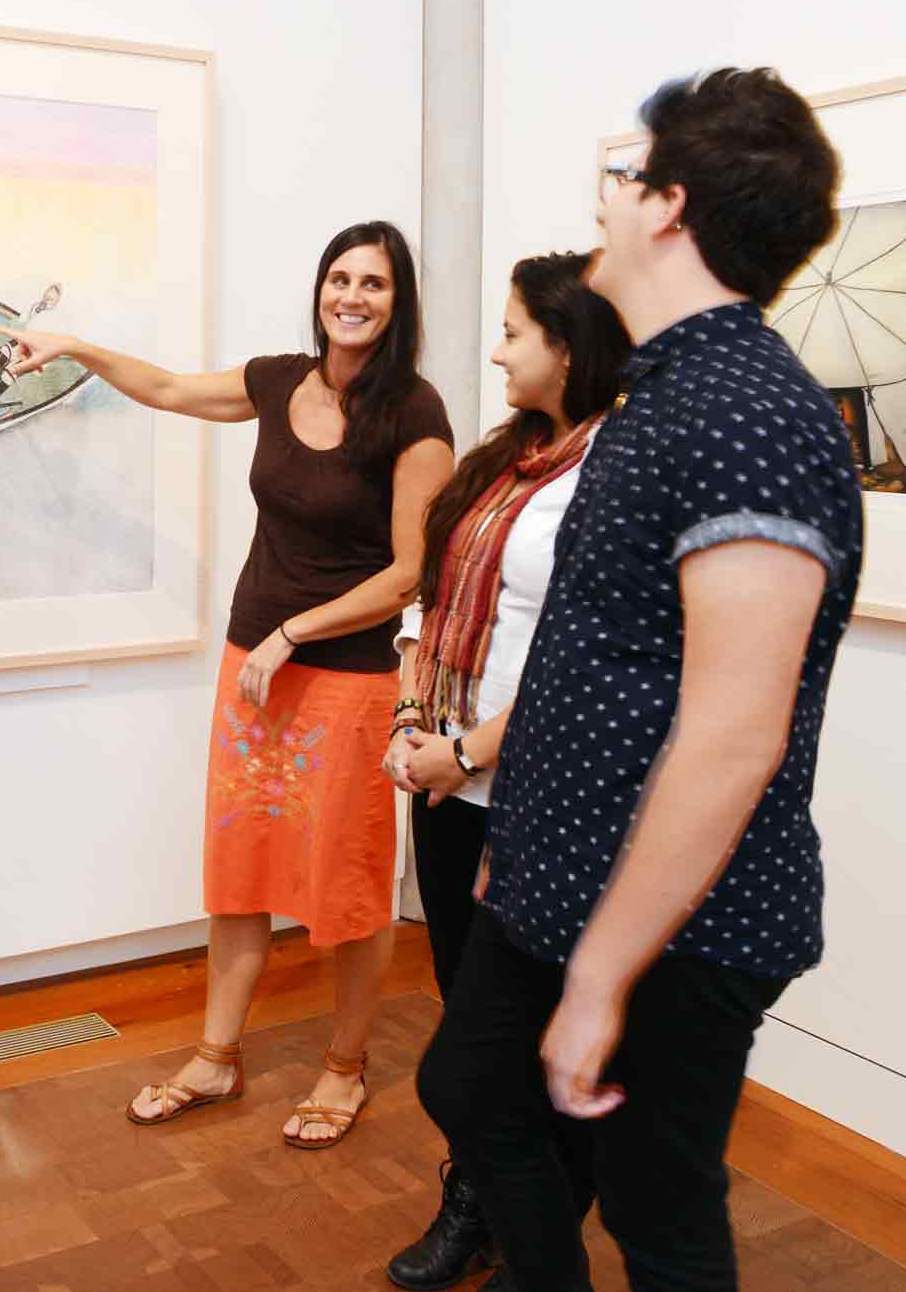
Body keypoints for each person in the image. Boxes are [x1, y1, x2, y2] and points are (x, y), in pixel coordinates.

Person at [414, 69, 862, 1292]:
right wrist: (532, 851)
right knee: (463, 1082)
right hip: (568, 869)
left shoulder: (748, 415)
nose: (604, 202)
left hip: (689, 916)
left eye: (624, 176)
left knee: (661, 1214)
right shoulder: (663, 397)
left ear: (668, 207)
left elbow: (731, 735)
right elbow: (597, 658)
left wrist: (602, 976)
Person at [0, 222, 455, 1149]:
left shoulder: (415, 414)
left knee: (349, 884)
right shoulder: (281, 378)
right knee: (239, 865)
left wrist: (294, 632)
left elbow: (411, 571)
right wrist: (74, 345)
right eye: (339, 278)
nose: (352, 297)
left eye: (374, 283)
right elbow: (166, 387)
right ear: (320, 289)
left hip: (347, 679)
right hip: (255, 672)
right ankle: (216, 1054)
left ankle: (343, 1068)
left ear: (398, 301)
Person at [379, 252, 632, 1290]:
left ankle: (517, 1216)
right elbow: (432, 595)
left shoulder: (614, 470)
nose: (496, 349)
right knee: (463, 1008)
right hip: (447, 784)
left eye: (515, 332)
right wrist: (411, 715)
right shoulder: (504, 458)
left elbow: (595, 661)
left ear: (566, 347)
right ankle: (490, 1198)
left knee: (506, 1041)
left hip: (531, 791)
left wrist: (469, 747)